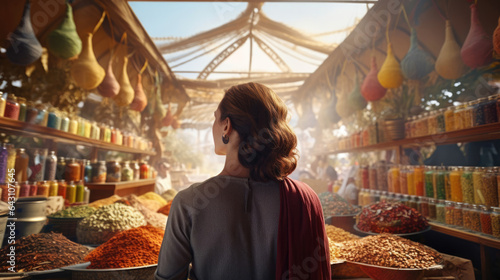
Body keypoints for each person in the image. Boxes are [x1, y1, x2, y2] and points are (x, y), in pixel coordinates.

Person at [155, 83, 330, 280]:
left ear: (227, 126)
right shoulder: (305, 199)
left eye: (215, 118)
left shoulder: (189, 203)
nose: (213, 125)